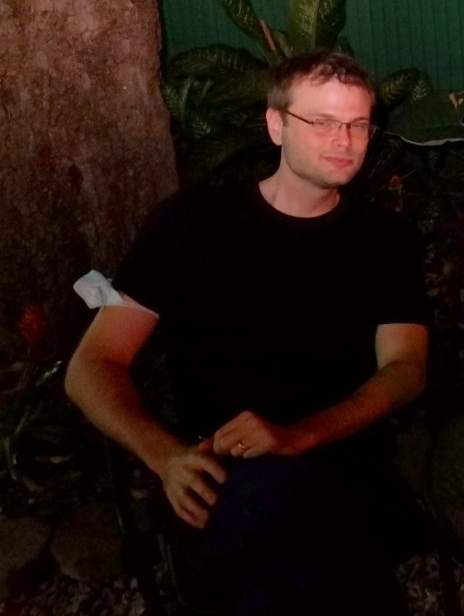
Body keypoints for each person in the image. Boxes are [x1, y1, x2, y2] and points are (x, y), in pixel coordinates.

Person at [66, 51, 429, 615]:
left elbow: (406, 370)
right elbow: (92, 366)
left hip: (339, 460)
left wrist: (300, 436)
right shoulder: (192, 224)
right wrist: (166, 457)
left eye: (357, 124)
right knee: (281, 535)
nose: (344, 140)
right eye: (323, 122)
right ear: (276, 124)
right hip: (220, 471)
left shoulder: (384, 240)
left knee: (298, 545)